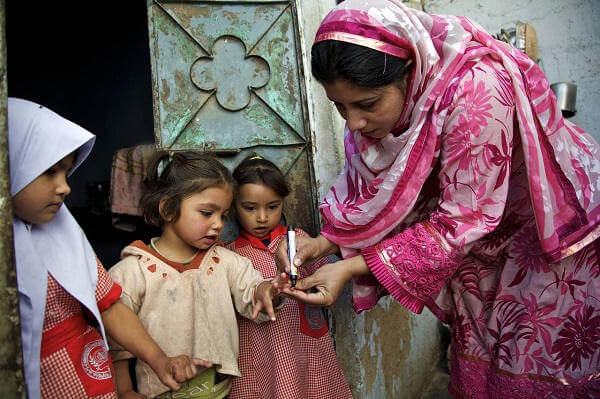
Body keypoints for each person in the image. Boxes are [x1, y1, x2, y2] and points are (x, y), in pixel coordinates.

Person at [275, 1, 600, 398]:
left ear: (410, 71)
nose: (354, 123)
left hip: (548, 243)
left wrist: (347, 269)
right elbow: (389, 196)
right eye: (339, 107)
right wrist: (323, 243)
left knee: (532, 366)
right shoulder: (388, 116)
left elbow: (458, 223)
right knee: (482, 359)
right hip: (483, 251)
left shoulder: (478, 91)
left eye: (366, 104)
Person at [8, 98, 207, 399]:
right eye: (50, 172)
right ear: (9, 165)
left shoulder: (64, 230)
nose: (65, 187)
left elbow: (109, 304)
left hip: (92, 377)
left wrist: (158, 360)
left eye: (66, 173)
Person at [108, 151, 286, 399]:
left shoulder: (226, 262)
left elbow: (252, 291)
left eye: (222, 215)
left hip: (220, 392)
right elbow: (116, 339)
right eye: (206, 213)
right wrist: (124, 389)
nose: (218, 224)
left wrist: (268, 291)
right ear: (168, 209)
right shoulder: (133, 271)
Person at [225, 155, 353, 399]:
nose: (262, 217)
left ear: (283, 203)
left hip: (304, 343)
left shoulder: (299, 243)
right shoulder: (230, 255)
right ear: (233, 206)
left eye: (272, 207)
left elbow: (326, 277)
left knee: (313, 386)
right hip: (261, 347)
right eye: (250, 208)